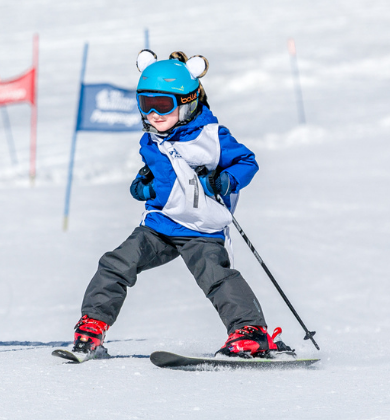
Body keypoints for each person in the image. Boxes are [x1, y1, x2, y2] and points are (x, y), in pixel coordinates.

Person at [72, 50, 292, 359]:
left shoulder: (212, 137)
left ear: (187, 104)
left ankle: (250, 333)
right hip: (160, 226)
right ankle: (92, 327)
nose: (154, 114)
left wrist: (226, 180)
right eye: (146, 104)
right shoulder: (152, 139)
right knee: (115, 264)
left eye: (163, 105)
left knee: (216, 277)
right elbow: (161, 175)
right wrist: (146, 185)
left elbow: (247, 161)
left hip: (202, 229)